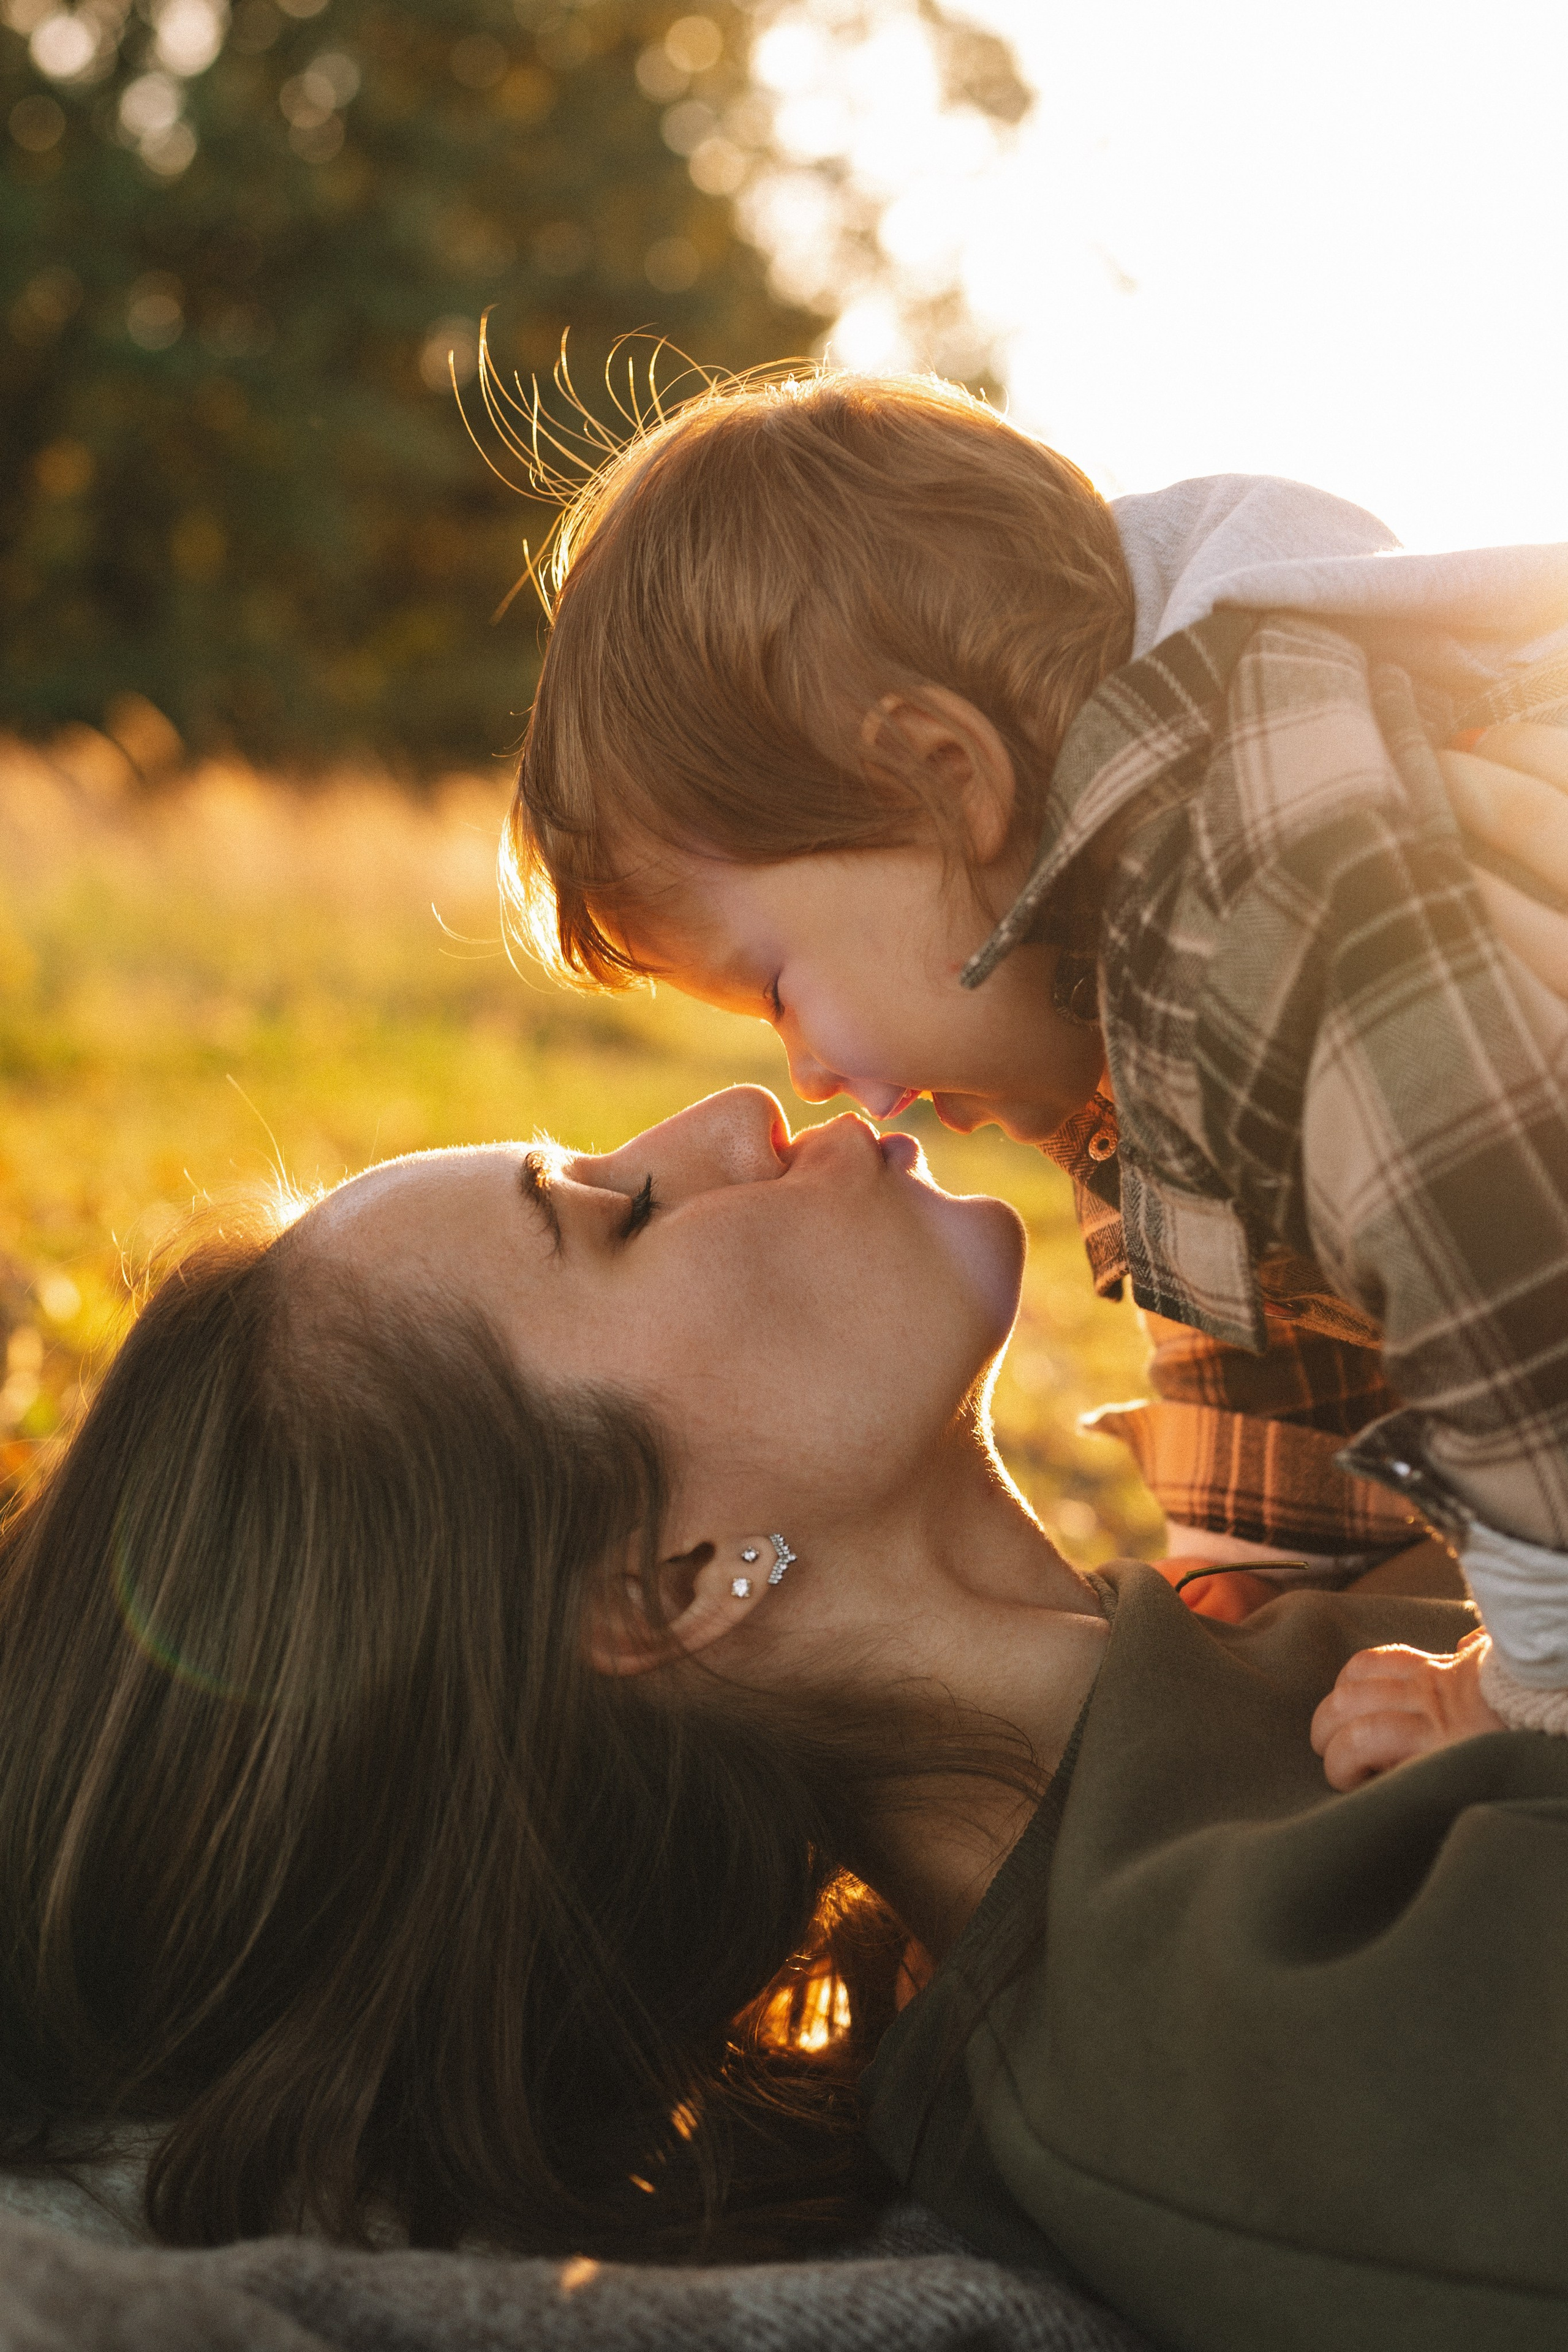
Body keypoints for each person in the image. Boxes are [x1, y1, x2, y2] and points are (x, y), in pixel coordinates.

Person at [1, 1088, 1562, 2351]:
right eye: (622, 1212)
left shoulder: (1311, 1568)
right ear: (669, 1584)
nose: (739, 1113)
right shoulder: (1226, 2058)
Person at [503, 365, 1568, 1738]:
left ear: (947, 777)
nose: (809, 1076)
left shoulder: (1264, 887)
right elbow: (1255, 1291)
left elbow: (1506, 1262)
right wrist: (1256, 1574)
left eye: (775, 985)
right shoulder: (1117, 990)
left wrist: (1514, 1689)